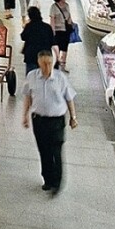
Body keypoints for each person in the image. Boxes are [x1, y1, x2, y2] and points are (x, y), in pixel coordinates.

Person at [21, 49, 77, 193]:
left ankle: (57, 182)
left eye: (50, 63)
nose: (47, 67)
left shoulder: (60, 78)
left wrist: (73, 117)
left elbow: (69, 98)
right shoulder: (32, 76)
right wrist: (25, 115)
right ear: (39, 63)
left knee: (56, 151)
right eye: (44, 63)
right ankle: (47, 179)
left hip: (56, 121)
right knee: (43, 150)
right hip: (39, 120)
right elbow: (28, 96)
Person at [20, 5, 55, 74]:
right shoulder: (47, 27)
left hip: (31, 55)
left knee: (31, 77)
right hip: (45, 56)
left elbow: (23, 37)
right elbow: (52, 41)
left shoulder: (29, 26)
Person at [50, 0, 74, 72]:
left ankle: (63, 64)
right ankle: (56, 63)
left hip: (66, 30)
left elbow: (69, 15)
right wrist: (52, 31)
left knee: (65, 47)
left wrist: (71, 23)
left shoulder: (67, 5)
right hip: (57, 30)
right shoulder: (54, 7)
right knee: (57, 47)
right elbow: (52, 19)